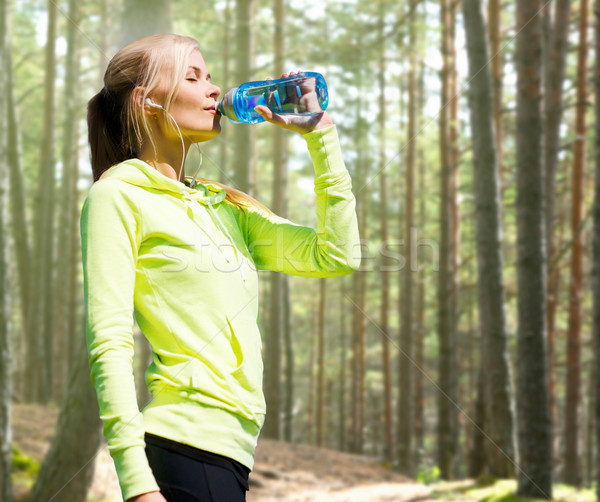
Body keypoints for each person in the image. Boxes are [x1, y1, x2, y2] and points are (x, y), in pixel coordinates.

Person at [81, 33, 360, 502]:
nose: (213, 89)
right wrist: (137, 484)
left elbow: (336, 255)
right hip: (182, 450)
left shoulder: (222, 206)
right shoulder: (118, 196)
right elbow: (109, 343)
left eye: (210, 77)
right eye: (193, 77)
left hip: (231, 456)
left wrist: (321, 138)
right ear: (146, 100)